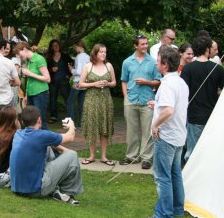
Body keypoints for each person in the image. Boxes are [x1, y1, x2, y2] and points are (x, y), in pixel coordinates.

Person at [10, 106, 83, 206]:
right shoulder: (41, 135)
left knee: (48, 148)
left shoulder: (18, 134)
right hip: (35, 191)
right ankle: (66, 193)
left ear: (22, 122)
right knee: (72, 155)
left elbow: (47, 143)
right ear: (39, 120)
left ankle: (53, 185)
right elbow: (70, 137)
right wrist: (71, 125)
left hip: (16, 188)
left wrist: (64, 150)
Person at [149, 46, 189, 218]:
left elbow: (168, 111)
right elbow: (170, 107)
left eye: (158, 61)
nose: (156, 63)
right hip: (179, 135)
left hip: (166, 137)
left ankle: (164, 214)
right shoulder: (180, 82)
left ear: (164, 64)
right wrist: (157, 106)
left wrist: (155, 125)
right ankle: (177, 209)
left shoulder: (167, 84)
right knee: (175, 175)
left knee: (163, 178)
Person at [180, 35, 224, 161]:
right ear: (207, 49)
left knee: (192, 151)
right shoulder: (217, 69)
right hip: (211, 115)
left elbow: (183, 93)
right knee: (210, 150)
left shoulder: (188, 69)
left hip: (194, 115)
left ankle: (190, 177)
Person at [120, 35, 161, 170]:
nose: (145, 46)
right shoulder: (127, 62)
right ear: (135, 46)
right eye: (142, 44)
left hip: (147, 101)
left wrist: (146, 82)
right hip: (131, 100)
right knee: (131, 131)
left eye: (146, 44)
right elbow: (124, 81)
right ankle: (131, 156)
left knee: (148, 131)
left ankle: (146, 158)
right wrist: (126, 97)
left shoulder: (153, 62)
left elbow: (158, 81)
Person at [79, 43, 115, 165]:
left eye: (105, 52)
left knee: (104, 128)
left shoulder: (109, 66)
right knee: (92, 127)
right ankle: (92, 155)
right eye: (101, 52)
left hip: (105, 100)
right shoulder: (88, 66)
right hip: (91, 100)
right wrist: (94, 84)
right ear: (95, 53)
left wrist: (107, 83)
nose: (103, 54)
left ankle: (104, 156)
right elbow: (81, 84)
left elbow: (114, 82)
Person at [14, 42, 51, 130]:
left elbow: (48, 79)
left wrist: (30, 74)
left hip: (40, 93)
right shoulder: (28, 61)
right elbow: (29, 80)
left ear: (25, 49)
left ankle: (48, 141)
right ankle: (36, 142)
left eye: (19, 54)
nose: (19, 57)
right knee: (31, 121)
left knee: (40, 120)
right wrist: (27, 94)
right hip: (31, 94)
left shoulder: (39, 59)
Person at [46, 39, 73, 124]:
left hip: (64, 81)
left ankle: (70, 116)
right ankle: (53, 116)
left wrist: (69, 75)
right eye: (54, 45)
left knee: (67, 99)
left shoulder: (65, 56)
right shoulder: (49, 57)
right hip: (53, 82)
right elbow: (45, 69)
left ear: (59, 46)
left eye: (57, 45)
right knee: (53, 99)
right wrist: (51, 69)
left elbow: (72, 63)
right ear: (51, 47)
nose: (56, 47)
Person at [67, 40, 90, 125]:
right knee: (81, 103)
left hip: (78, 82)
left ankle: (71, 122)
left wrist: (71, 69)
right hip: (86, 82)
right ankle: (81, 122)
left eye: (76, 47)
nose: (75, 49)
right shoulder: (88, 57)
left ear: (80, 47)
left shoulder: (79, 57)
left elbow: (79, 71)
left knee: (70, 102)